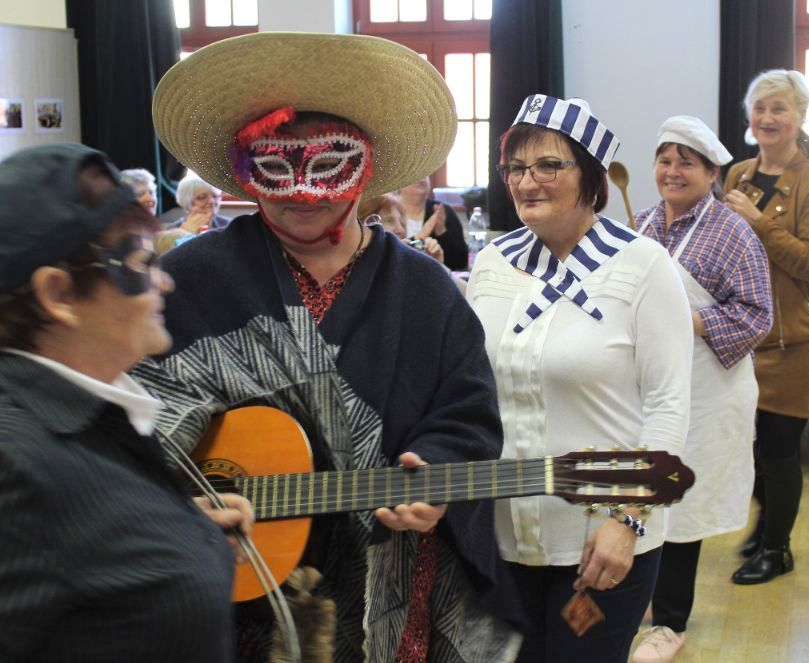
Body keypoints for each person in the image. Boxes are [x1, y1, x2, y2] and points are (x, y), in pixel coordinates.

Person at [130, 32, 520, 662]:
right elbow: (129, 404)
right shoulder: (190, 277)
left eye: (328, 168)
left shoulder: (423, 288)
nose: (301, 194)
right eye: (276, 169)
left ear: (365, 170)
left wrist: (436, 470)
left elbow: (467, 411)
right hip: (228, 578)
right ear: (246, 173)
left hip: (385, 584)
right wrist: (169, 497)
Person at [0, 143, 253, 662]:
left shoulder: (89, 420)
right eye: (142, 262)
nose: (165, 280)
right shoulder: (17, 466)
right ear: (59, 295)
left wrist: (170, 527)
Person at [467, 94, 693, 662]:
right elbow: (470, 390)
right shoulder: (493, 263)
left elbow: (668, 405)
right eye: (516, 167)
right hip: (502, 535)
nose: (527, 182)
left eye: (549, 165)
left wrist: (627, 521)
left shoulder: (643, 266)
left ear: (591, 176)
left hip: (601, 540)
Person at [630, 116, 772, 662]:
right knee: (638, 494)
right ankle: (638, 602)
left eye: (686, 163)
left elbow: (757, 316)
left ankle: (669, 623)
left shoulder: (733, 233)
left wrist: (686, 319)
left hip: (707, 389)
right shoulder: (640, 224)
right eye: (664, 160)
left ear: (712, 173)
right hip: (646, 386)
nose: (672, 171)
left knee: (680, 503)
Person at [723, 69, 809, 585]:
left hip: (798, 339)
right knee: (745, 446)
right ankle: (767, 521)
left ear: (800, 117)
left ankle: (778, 549)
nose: (768, 118)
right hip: (746, 333)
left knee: (778, 449)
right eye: (760, 108)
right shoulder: (737, 175)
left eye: (779, 108)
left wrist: (759, 222)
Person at [399, 175, 469, 270]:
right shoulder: (389, 212)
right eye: (414, 174)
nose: (421, 178)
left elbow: (461, 262)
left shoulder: (443, 211)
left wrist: (442, 233)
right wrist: (421, 236)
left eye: (424, 173)